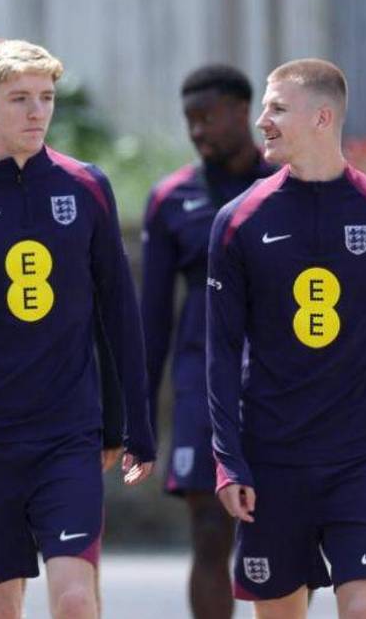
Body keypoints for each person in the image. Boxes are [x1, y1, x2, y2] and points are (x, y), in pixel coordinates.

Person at [0, 40, 155, 619]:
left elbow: (119, 311)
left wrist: (136, 421)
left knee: (75, 598)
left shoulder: (85, 186)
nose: (37, 111)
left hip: (67, 434)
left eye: (46, 97)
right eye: (20, 99)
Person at [207, 58, 366, 618]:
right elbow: (221, 353)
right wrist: (228, 460)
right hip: (272, 460)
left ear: (322, 117)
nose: (262, 122)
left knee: (365, 610)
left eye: (277, 109)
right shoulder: (238, 221)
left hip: (363, 459)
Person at [140, 64, 275, 619]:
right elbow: (152, 319)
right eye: (189, 120)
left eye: (207, 117)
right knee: (210, 529)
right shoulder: (170, 198)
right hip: (202, 386)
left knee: (279, 535)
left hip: (279, 382)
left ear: (242, 111)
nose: (197, 131)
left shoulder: (288, 184)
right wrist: (139, 417)